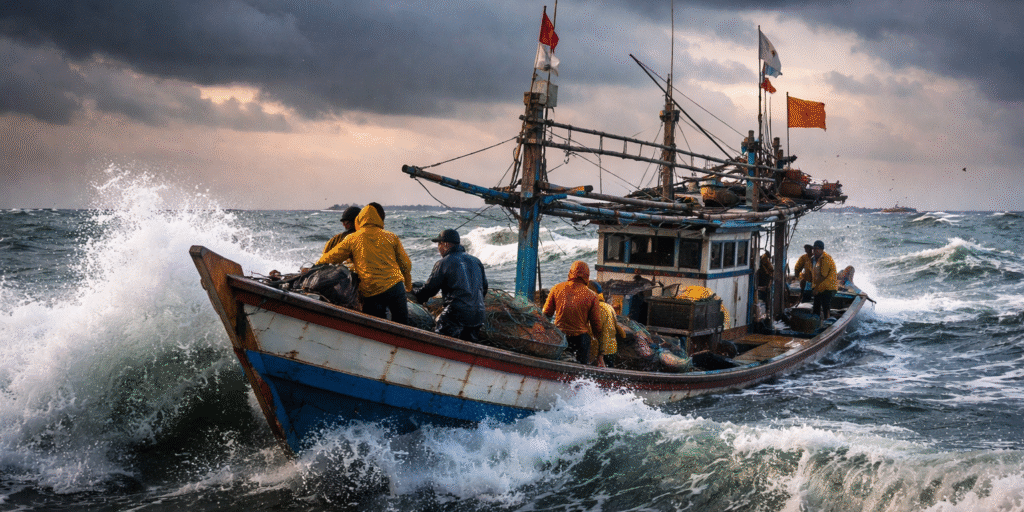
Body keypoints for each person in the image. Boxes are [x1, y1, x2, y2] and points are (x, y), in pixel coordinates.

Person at [317, 204, 412, 324]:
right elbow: (406, 264)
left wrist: (316, 265)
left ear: (359, 220)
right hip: (396, 288)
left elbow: (331, 257)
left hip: (372, 292)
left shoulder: (352, 238)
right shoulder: (391, 236)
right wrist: (408, 286)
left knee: (376, 327)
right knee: (403, 325)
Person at [415, 229, 488, 341]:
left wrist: (415, 295)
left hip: (455, 314)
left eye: (439, 244)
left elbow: (430, 290)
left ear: (445, 244)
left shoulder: (443, 263)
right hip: (478, 314)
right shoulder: (476, 261)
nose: (438, 248)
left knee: (439, 341)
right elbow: (484, 288)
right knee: (469, 345)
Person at [542, 261, 602, 364]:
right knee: (581, 370)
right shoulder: (592, 296)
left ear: (570, 273)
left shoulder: (556, 288)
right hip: (581, 339)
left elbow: (546, 314)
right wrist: (598, 339)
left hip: (559, 336)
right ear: (587, 276)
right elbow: (596, 324)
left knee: (557, 363)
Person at [587, 281, 624, 367]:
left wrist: (601, 356)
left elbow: (605, 332)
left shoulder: (599, 309)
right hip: (612, 348)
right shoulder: (608, 306)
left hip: (604, 352)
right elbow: (616, 327)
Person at [811, 240, 838, 322]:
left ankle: (827, 321)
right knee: (816, 305)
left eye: (818, 249)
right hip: (821, 287)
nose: (815, 250)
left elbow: (823, 276)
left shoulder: (826, 258)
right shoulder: (814, 259)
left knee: (825, 305)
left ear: (822, 250)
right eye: (814, 249)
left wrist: (816, 289)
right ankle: (815, 322)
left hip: (828, 287)